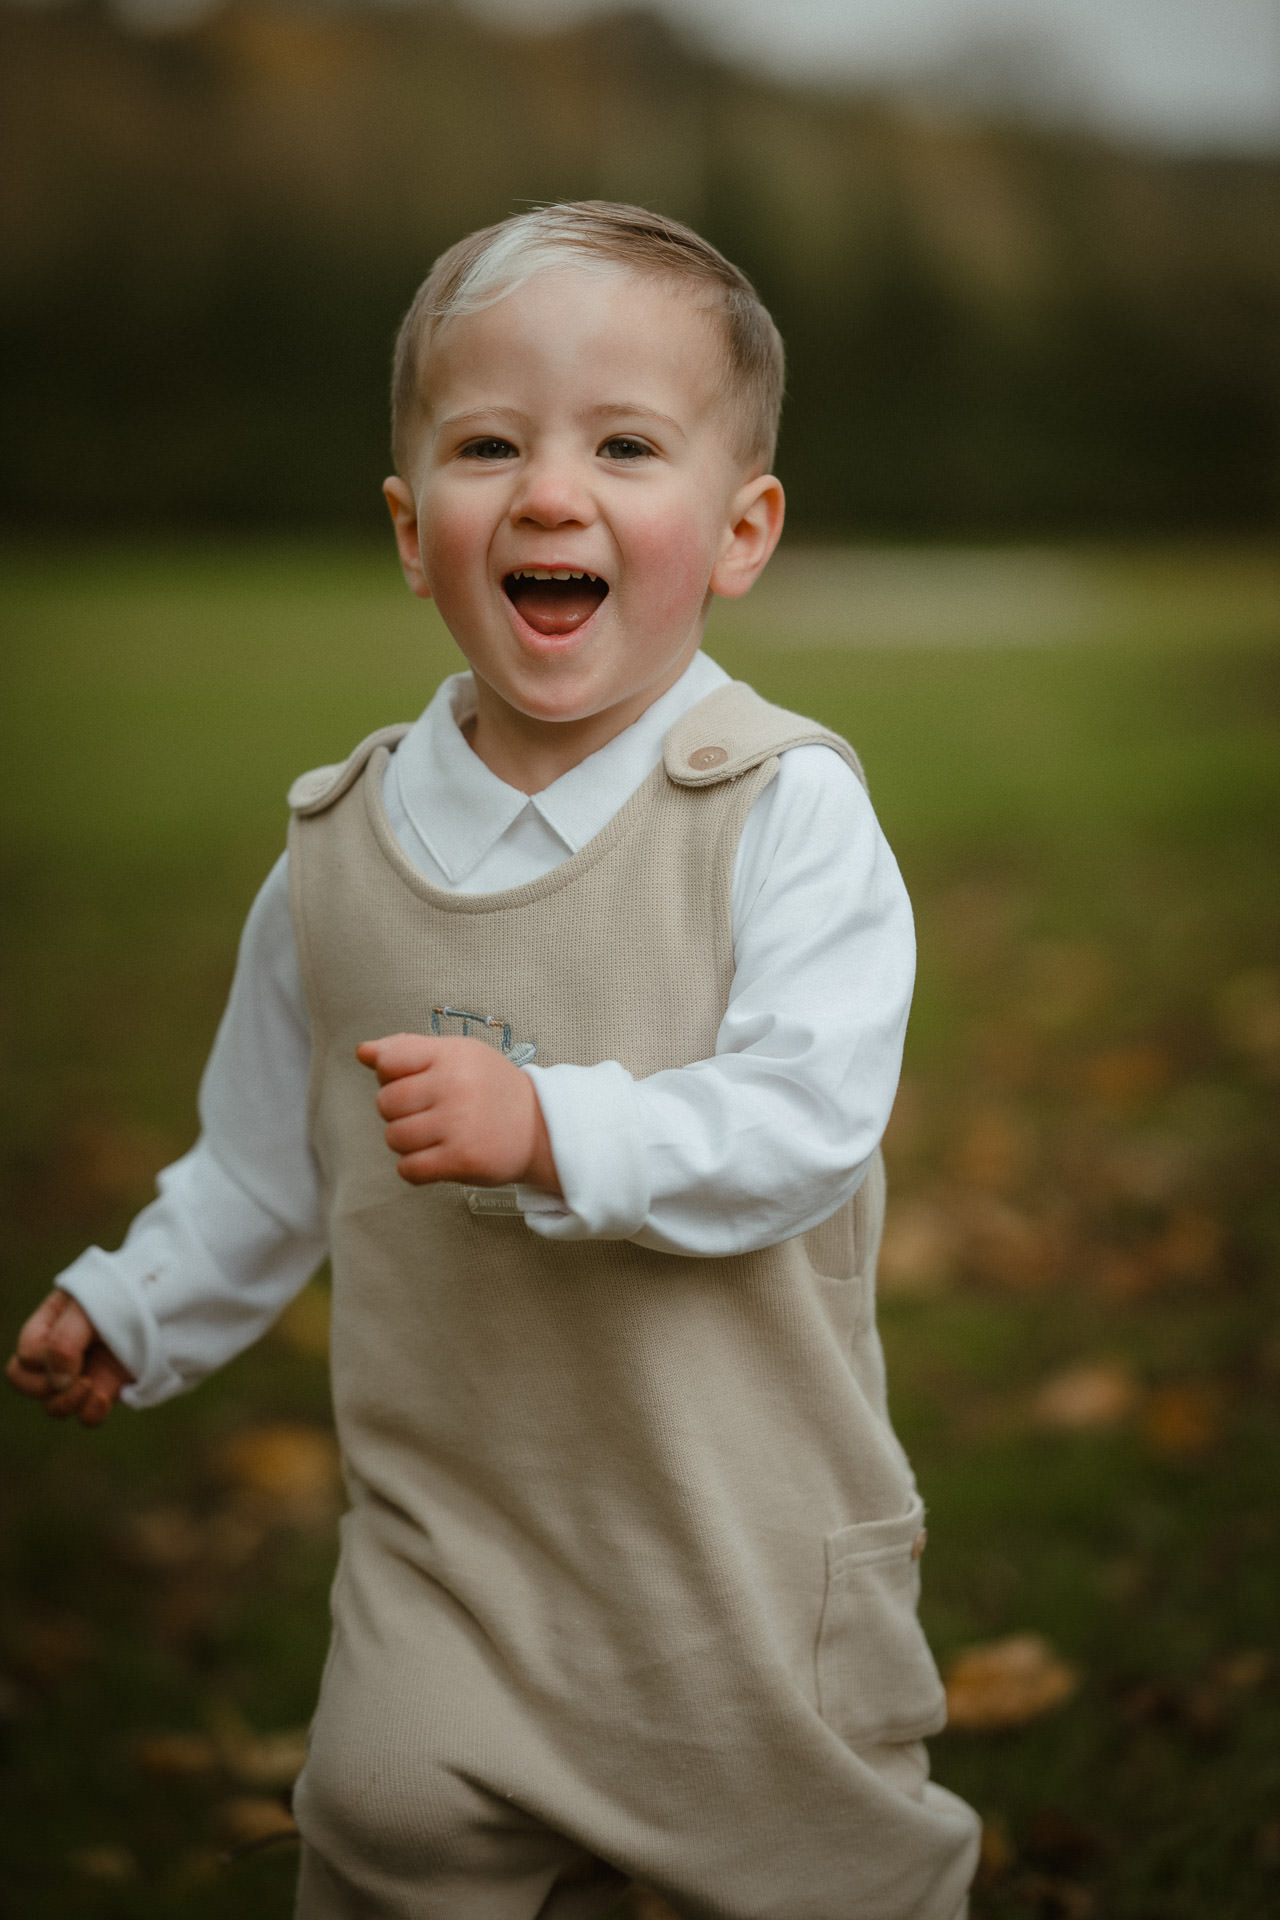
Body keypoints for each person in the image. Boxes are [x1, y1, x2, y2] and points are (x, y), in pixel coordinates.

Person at [7, 202, 980, 1918]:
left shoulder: (780, 808)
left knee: (817, 1886)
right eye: (486, 445)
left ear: (739, 528)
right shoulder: (337, 851)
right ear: (410, 528)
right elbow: (264, 1154)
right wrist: (141, 1299)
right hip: (449, 1555)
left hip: (733, 1558)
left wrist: (553, 1127)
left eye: (623, 444)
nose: (547, 491)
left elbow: (808, 1119)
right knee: (385, 1834)